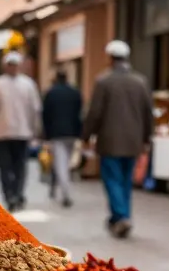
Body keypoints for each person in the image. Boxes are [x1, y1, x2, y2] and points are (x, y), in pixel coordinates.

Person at [83, 40, 154, 238]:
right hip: (134, 141)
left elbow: (95, 113)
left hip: (110, 141)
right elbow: (148, 113)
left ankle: (121, 216)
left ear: (110, 58)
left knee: (113, 180)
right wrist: (147, 138)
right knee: (125, 181)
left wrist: (87, 135)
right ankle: (121, 217)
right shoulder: (140, 82)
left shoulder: (104, 81)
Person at [0, 52, 41, 212]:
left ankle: (16, 194)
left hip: (20, 133)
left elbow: (35, 110)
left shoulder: (27, 84)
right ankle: (11, 195)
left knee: (18, 167)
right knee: (7, 167)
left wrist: (35, 130)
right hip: (4, 133)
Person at [42, 70, 83, 208]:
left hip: (56, 134)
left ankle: (65, 193)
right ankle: (61, 189)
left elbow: (45, 115)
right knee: (66, 163)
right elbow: (79, 113)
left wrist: (46, 135)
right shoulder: (75, 93)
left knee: (61, 164)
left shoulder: (50, 93)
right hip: (72, 133)